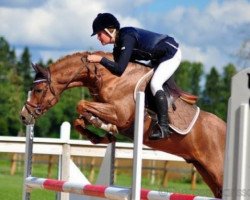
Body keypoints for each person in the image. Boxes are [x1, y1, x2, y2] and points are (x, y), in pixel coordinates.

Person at [87, 13, 181, 140]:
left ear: (109, 30)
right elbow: (118, 71)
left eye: (99, 34)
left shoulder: (127, 37)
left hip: (170, 54)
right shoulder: (117, 46)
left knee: (155, 84)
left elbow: (119, 69)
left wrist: (100, 59)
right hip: (157, 58)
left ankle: (164, 127)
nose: (98, 38)